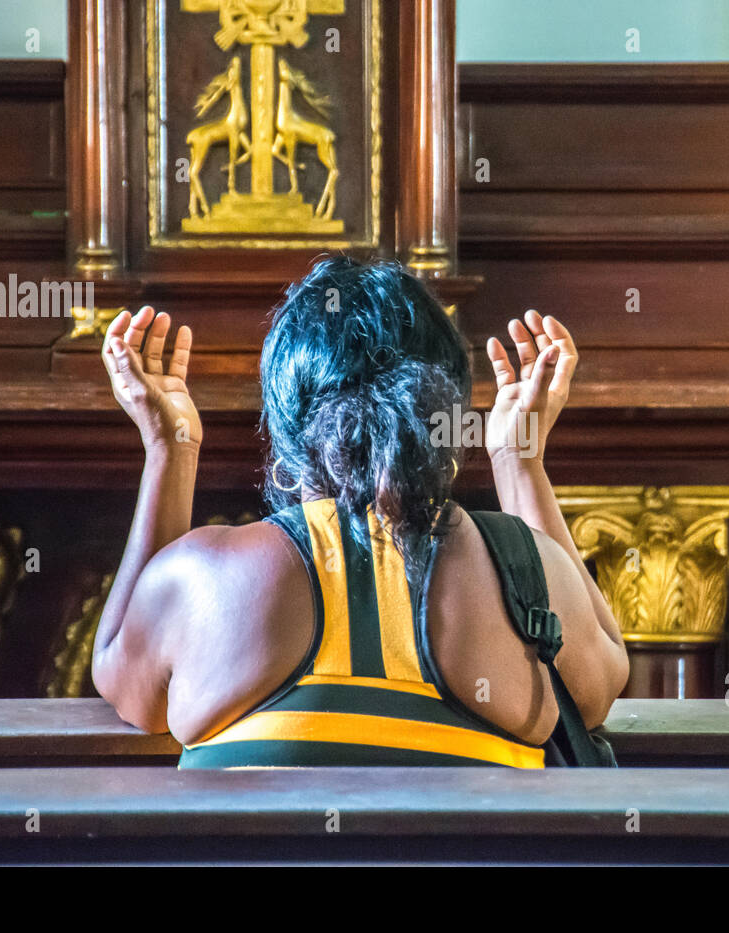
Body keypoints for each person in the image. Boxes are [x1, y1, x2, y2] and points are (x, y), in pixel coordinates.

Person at [92, 256, 628, 768]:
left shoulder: (204, 575)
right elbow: (598, 688)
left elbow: (127, 682)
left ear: (283, 432)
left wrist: (170, 445)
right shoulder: (528, 569)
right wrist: (519, 458)